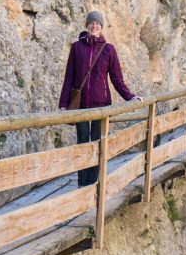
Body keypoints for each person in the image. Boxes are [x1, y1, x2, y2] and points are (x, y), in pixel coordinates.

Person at [58, 10, 143, 186]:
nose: (94, 25)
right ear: (87, 25)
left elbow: (117, 79)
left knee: (97, 144)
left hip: (101, 106)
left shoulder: (109, 49)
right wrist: (63, 103)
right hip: (81, 107)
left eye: (97, 23)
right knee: (83, 145)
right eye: (91, 23)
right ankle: (82, 183)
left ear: (101, 27)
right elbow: (69, 77)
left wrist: (130, 97)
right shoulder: (76, 47)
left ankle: (92, 183)